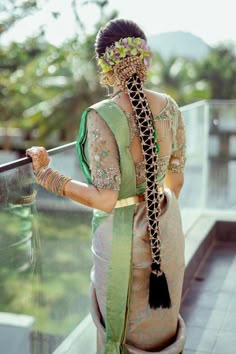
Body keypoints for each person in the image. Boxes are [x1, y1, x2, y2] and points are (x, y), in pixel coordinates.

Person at [26, 18, 186, 354]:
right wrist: (157, 216)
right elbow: (176, 177)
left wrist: (48, 176)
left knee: (119, 334)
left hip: (121, 244)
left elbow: (106, 200)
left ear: (104, 65)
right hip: (167, 233)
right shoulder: (170, 107)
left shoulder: (101, 116)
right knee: (161, 329)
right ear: (145, 58)